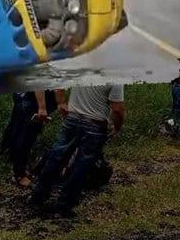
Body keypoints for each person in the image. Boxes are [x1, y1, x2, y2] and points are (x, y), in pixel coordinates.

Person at [29, 84, 125, 216]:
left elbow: (58, 84)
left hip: (72, 119)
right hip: (95, 124)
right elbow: (117, 109)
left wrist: (62, 102)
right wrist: (117, 127)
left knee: (56, 157)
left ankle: (38, 195)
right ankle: (64, 204)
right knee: (82, 165)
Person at [0, 89, 66, 187]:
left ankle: (7, 150)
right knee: (26, 137)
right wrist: (43, 107)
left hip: (26, 94)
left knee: (18, 126)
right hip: (33, 99)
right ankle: (19, 174)